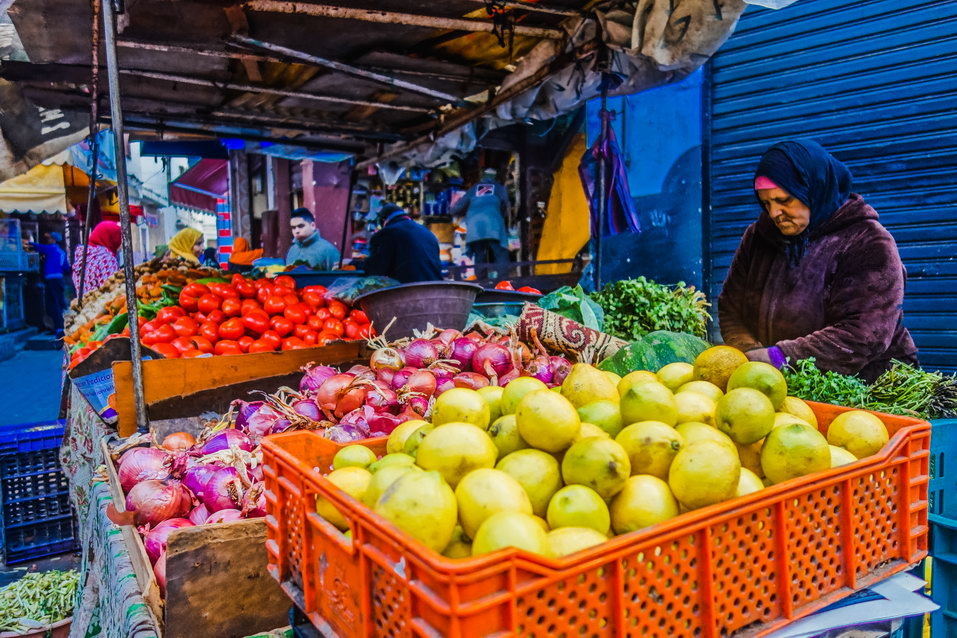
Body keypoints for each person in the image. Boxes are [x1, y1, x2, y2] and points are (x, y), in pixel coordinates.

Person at [718, 139, 917, 382]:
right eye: (766, 203)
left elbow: (862, 336)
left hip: (868, 385)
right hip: (775, 383)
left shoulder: (868, 241)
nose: (774, 214)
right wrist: (748, 353)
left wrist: (778, 358)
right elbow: (731, 307)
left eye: (784, 200)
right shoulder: (758, 237)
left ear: (814, 190)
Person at [450, 168, 511, 278]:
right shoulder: (500, 188)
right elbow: (505, 206)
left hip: (475, 227)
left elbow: (457, 209)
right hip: (494, 225)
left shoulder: (473, 189)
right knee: (501, 253)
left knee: (479, 254)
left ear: (482, 176)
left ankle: (481, 282)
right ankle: (504, 280)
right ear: (495, 177)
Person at [363, 203, 442, 283]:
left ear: (384, 221)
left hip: (408, 291)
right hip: (435, 290)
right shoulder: (428, 233)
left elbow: (375, 270)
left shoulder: (386, 233)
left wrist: (358, 264)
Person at [28, 231, 70, 337]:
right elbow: (66, 268)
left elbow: (39, 247)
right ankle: (63, 326)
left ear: (53, 240)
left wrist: (29, 243)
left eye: (50, 238)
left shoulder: (52, 248)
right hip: (59, 280)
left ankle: (59, 329)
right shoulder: (62, 252)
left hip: (52, 280)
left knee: (53, 304)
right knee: (60, 304)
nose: (48, 240)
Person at [73, 221, 121, 295]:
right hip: (101, 304)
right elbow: (112, 290)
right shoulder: (106, 259)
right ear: (111, 238)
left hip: (85, 304)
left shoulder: (82, 256)